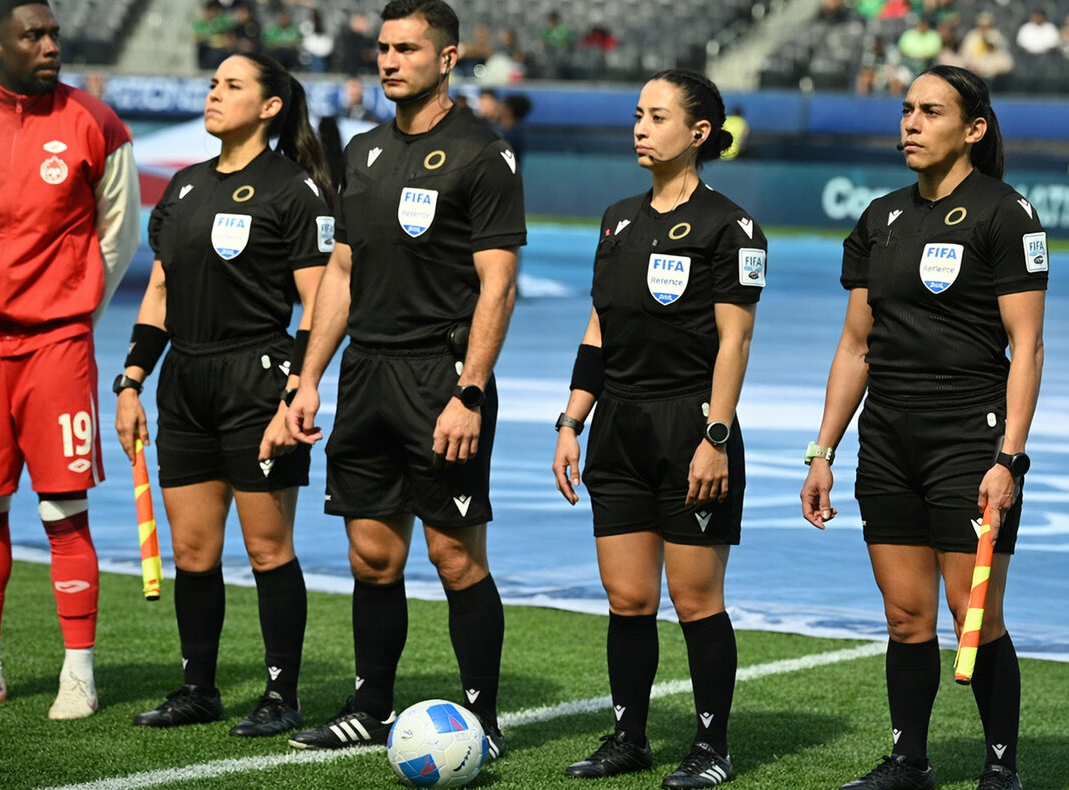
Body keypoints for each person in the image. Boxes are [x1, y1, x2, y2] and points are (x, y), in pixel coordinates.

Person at [284, 0, 525, 759]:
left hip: (440, 377)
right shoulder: (361, 152)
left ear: (447, 59)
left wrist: (470, 392)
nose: (389, 61)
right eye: (384, 48)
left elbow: (498, 287)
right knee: (372, 557)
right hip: (366, 376)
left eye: (408, 49)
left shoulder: (483, 154)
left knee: (455, 557)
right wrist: (308, 378)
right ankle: (369, 707)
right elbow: (341, 272)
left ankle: (483, 718)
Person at [800, 65, 1046, 790]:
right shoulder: (880, 217)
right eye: (907, 109)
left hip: (970, 438)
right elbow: (855, 346)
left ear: (973, 129)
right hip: (886, 440)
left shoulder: (1006, 213)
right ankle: (910, 762)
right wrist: (823, 451)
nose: (911, 122)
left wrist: (1009, 459)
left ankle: (1000, 768)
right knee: (906, 616)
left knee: (976, 613)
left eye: (931, 111)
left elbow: (1027, 347)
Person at [0, 0, 139, 719]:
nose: (50, 45)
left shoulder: (96, 123)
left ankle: (79, 674)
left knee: (62, 508)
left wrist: (69, 310)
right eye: (33, 35)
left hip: (57, 345)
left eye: (53, 33)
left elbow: (118, 234)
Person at [554, 69, 766, 787]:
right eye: (638, 115)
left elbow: (735, 341)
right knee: (628, 599)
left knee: (695, 599)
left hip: (691, 426)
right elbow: (599, 329)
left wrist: (716, 436)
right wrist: (572, 420)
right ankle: (630, 738)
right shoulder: (617, 219)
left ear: (699, 132)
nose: (642, 128)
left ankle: (711, 747)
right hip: (618, 425)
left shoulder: (731, 226)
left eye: (658, 116)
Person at [118, 52, 335, 737]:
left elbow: (320, 302)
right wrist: (130, 382)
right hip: (184, 382)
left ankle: (281, 695)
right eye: (213, 84)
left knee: (268, 549)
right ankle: (198, 689)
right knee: (192, 552)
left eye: (232, 86)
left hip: (257, 381)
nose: (214, 94)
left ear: (270, 107)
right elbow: (160, 291)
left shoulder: (295, 189)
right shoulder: (183, 186)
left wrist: (296, 392)